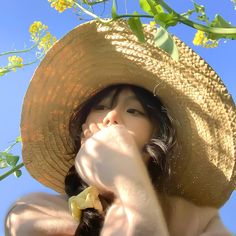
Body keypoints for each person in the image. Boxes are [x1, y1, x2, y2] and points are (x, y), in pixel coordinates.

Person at [5, 19, 235, 236]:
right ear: (83, 128)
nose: (112, 116)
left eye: (134, 111)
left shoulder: (199, 222)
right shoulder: (35, 211)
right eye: (102, 107)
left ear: (158, 135)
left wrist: (126, 175)